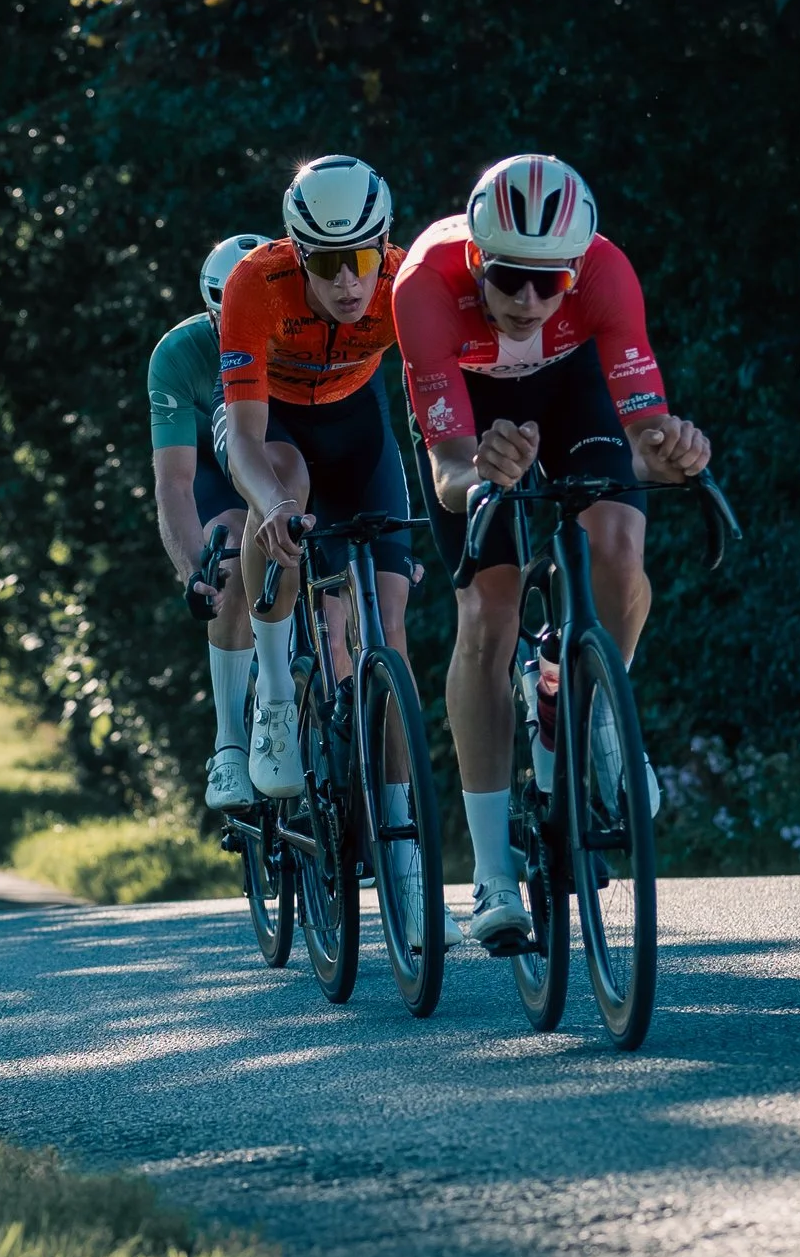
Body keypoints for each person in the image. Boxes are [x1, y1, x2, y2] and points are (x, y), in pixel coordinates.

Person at [391, 151, 711, 950]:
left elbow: (643, 432)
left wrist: (675, 451)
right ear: (475, 258)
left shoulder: (605, 273)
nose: (530, 299)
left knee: (620, 543)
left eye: (551, 282)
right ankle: (493, 873)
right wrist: (483, 471)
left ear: (576, 270)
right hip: (474, 421)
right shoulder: (425, 284)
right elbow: (446, 471)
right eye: (509, 278)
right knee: (488, 614)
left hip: (571, 394)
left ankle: (587, 706)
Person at [216, 156, 422, 801]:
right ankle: (275, 691)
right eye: (327, 262)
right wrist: (272, 504)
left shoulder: (403, 279)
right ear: (298, 253)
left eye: (360, 260)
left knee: (389, 628)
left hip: (358, 424)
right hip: (275, 426)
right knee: (283, 481)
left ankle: (401, 839)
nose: (347, 281)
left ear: (383, 250)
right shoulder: (256, 283)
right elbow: (245, 439)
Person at [149, 231, 269, 807]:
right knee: (231, 552)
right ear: (210, 313)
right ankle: (229, 744)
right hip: (212, 469)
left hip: (278, 457)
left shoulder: (301, 340)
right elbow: (173, 481)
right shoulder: (178, 356)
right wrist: (192, 570)